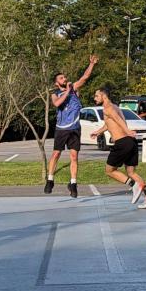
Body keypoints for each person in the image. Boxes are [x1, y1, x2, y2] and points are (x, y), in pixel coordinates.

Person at [84, 87, 146, 210]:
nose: (94, 98)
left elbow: (118, 120)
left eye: (96, 96)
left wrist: (127, 131)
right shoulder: (115, 107)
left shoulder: (108, 108)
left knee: (109, 170)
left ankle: (134, 185)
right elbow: (110, 123)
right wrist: (98, 132)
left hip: (122, 143)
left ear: (104, 96)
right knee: (131, 172)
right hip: (130, 142)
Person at [45, 55, 98, 198]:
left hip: (74, 128)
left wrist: (91, 64)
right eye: (61, 78)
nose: (65, 79)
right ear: (57, 83)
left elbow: (85, 77)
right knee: (56, 154)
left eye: (65, 77)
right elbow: (57, 104)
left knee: (74, 156)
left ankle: (73, 183)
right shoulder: (55, 94)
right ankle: (50, 180)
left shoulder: (74, 88)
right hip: (61, 129)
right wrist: (67, 91)